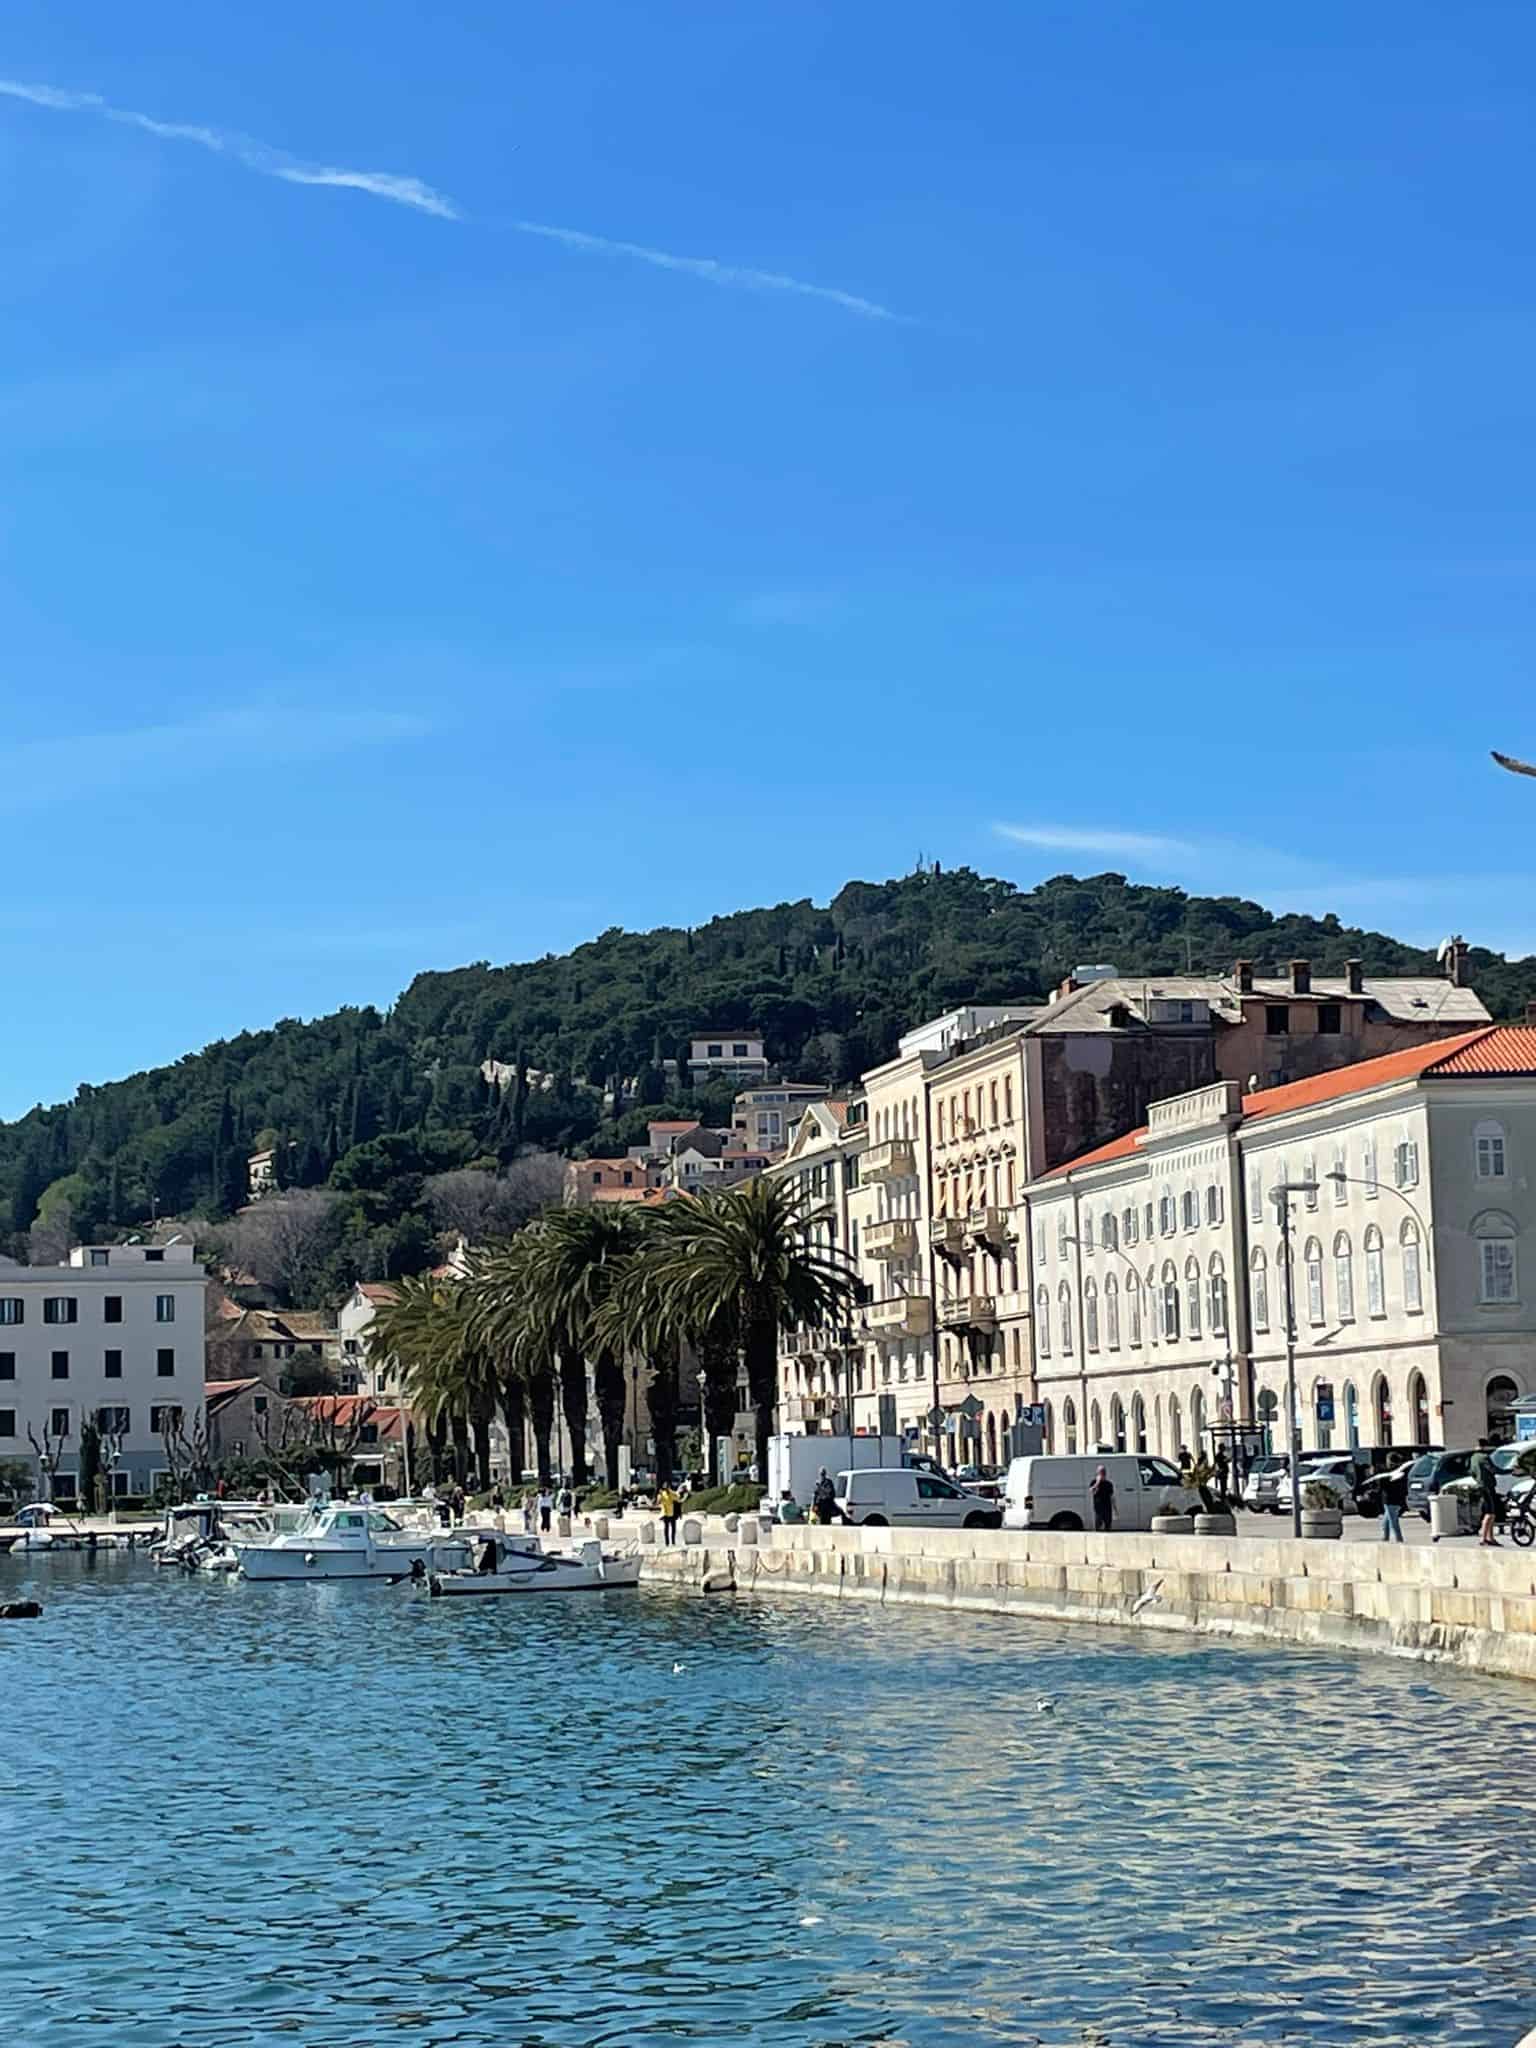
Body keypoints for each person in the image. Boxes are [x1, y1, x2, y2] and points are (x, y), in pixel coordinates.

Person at [1473, 1438, 1501, 1547]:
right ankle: (1484, 1538)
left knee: (1490, 1513)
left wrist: (1478, 1480)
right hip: (1487, 1487)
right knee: (1490, 1513)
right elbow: (1493, 1469)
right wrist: (1509, 1471)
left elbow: (1471, 1472)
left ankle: (1490, 1537)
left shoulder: (1473, 1458)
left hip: (1481, 1486)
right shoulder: (1484, 1457)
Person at [1379, 1459, 1408, 1544]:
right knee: (1385, 1522)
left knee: (1393, 1522)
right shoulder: (1401, 1472)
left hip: (1390, 1500)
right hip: (1396, 1500)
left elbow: (1383, 1486)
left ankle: (1399, 1540)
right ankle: (1385, 1538)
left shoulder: (1388, 1473)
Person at [1090, 1464, 1115, 1532]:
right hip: (1098, 1508)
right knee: (1098, 1525)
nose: (1102, 1474)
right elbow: (1092, 1491)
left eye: (1103, 1472)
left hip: (1107, 1508)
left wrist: (1115, 1509)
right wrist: (1097, 1483)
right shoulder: (1093, 1482)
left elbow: (1112, 1497)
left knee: (1108, 1526)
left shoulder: (1109, 1484)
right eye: (1100, 1472)